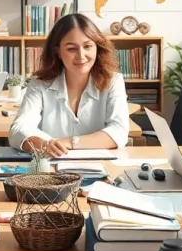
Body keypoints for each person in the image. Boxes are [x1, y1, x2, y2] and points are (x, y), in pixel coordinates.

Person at [9, 13, 130, 157]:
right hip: (52, 173)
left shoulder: (113, 81)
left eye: (88, 46)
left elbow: (119, 131)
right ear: (58, 52)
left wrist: (68, 142)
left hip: (102, 170)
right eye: (71, 48)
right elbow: (18, 130)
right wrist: (44, 145)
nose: (81, 55)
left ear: (97, 48)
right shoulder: (39, 84)